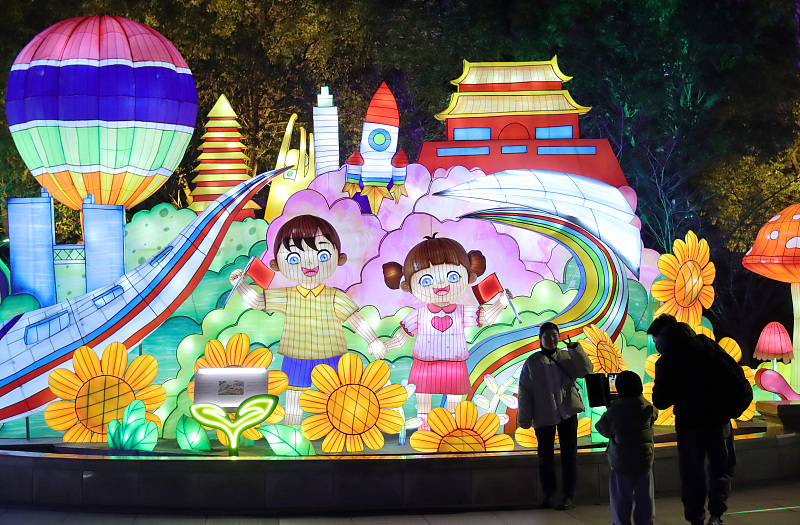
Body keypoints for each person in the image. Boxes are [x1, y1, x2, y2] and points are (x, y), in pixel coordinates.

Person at [230, 215, 387, 425]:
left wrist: (373, 340)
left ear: (338, 258)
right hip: (296, 355)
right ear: (277, 264)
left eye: (322, 255)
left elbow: (355, 319)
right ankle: (293, 431)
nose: (309, 263)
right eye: (295, 258)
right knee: (294, 396)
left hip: (331, 354)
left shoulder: (335, 296)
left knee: (339, 396)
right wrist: (240, 285)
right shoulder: (286, 295)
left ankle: (342, 429)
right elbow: (258, 301)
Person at [382, 234, 510, 429]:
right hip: (424, 366)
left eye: (452, 277)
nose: (441, 285)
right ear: (409, 286)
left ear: (469, 277)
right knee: (423, 409)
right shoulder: (418, 315)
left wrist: (500, 303)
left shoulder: (461, 311)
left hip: (454, 366)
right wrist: (384, 346)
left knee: (453, 409)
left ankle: (449, 434)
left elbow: (485, 318)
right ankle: (424, 436)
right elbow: (399, 340)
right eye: (426, 280)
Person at [647, 314, 736, 525]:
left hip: (691, 425)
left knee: (692, 473)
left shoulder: (668, 360)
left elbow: (661, 400)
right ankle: (716, 515)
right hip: (719, 420)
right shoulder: (707, 344)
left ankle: (696, 517)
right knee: (721, 468)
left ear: (663, 335)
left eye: (655, 339)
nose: (656, 345)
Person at [516, 321, 593, 510]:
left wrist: (576, 349)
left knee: (570, 456)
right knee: (545, 457)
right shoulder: (533, 362)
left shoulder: (567, 356)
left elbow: (586, 370)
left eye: (555, 335)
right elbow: (525, 391)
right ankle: (549, 494)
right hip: (543, 415)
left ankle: (569, 495)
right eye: (547, 336)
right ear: (540, 339)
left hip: (567, 413)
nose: (552, 339)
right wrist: (524, 419)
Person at [596, 370, 658, 525]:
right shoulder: (648, 408)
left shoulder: (615, 411)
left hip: (622, 463)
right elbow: (654, 415)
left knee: (621, 500)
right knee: (645, 499)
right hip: (644, 462)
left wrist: (610, 407)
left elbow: (602, 428)